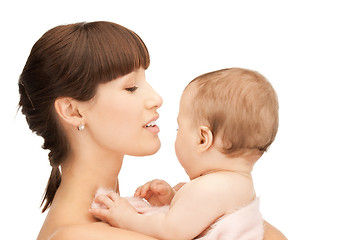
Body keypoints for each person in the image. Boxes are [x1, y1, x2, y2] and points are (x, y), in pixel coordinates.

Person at [18, 21, 286, 240]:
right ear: (73, 111)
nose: (156, 98)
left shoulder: (134, 216)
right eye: (131, 87)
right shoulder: (80, 236)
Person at [89, 68, 285, 240]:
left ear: (202, 139)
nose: (176, 134)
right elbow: (202, 222)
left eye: (178, 129)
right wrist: (173, 200)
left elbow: (171, 232)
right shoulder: (239, 184)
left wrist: (126, 217)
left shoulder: (210, 188)